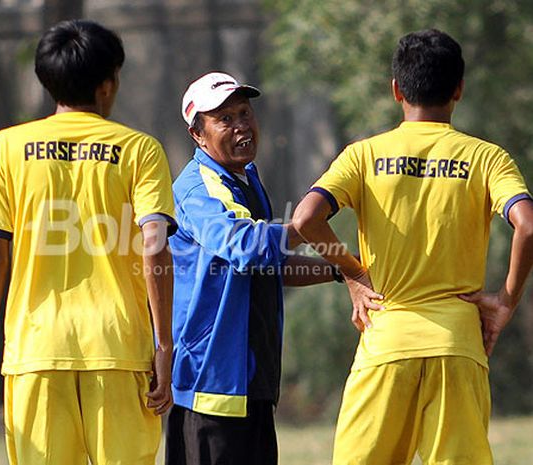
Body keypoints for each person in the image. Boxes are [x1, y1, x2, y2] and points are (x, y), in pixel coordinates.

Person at [293, 29, 533, 464]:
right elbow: (528, 226)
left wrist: (354, 273)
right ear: (459, 88)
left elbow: (306, 219)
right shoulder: (487, 157)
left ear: (396, 90)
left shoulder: (362, 155)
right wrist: (506, 301)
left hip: (386, 340)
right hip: (458, 345)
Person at [0, 19, 176, 465]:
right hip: (118, 350)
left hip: (35, 352)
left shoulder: (7, 148)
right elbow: (154, 248)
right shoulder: (140, 149)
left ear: (47, 80)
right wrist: (163, 345)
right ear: (107, 83)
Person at [166, 71, 344, 465]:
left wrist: (339, 270)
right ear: (197, 134)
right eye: (224, 119)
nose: (241, 125)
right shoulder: (199, 189)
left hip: (252, 382)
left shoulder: (244, 179)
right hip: (211, 385)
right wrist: (305, 226)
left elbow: (268, 265)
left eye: (244, 113)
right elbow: (246, 246)